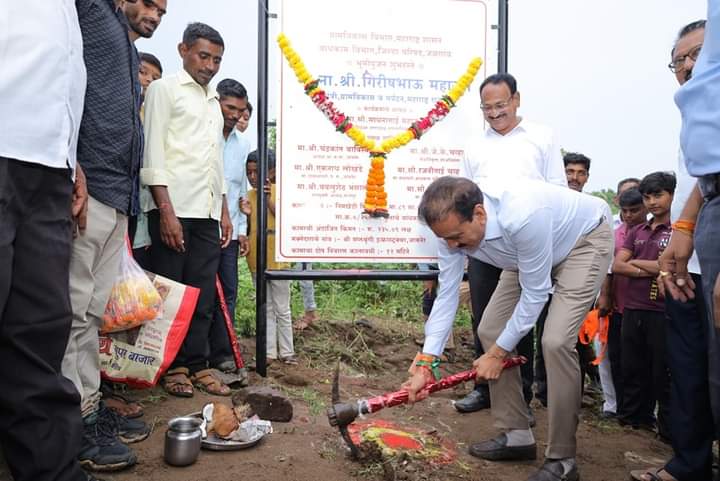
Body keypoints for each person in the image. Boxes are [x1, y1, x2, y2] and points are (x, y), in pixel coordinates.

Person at [405, 176, 612, 481]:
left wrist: (499, 353)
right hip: (527, 255)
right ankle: (517, 435)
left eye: (457, 237)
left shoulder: (522, 214)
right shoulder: (448, 229)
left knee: (555, 341)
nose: (451, 246)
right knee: (490, 329)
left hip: (582, 243)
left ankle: (563, 459)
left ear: (479, 214)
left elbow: (536, 293)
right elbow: (447, 292)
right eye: (445, 239)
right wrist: (427, 359)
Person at [0, 2, 99, 480]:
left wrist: (70, 153)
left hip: (48, 164)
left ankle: (51, 472)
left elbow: (56, 73)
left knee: (41, 328)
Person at [63, 0, 152, 472]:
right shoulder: (84, 9)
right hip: (88, 187)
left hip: (116, 194)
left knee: (91, 315)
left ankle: (90, 413)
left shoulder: (115, 25)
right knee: (74, 314)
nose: (155, 11)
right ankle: (72, 427)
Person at [633, 19, 716, 481]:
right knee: (686, 370)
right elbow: (697, 188)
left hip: (714, 263)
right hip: (688, 266)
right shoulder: (691, 117)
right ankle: (688, 464)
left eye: (697, 54)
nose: (686, 66)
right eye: (678, 60)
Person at [456, 73, 567, 414]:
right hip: (485, 244)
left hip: (527, 242)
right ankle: (485, 390)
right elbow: (463, 197)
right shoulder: (474, 145)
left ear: (516, 100)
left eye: (500, 105)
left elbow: (557, 189)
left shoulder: (541, 137)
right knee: (484, 317)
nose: (494, 113)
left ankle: (521, 396)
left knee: (524, 317)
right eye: (486, 108)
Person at [142, 22, 233, 397]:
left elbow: (215, 162)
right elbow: (154, 152)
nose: (210, 65)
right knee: (171, 295)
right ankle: (173, 366)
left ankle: (198, 364)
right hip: (172, 210)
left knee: (202, 296)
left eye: (217, 59)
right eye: (204, 56)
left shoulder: (213, 100)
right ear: (183, 50)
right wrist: (166, 212)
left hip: (207, 211)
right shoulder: (165, 90)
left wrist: (224, 211)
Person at [612, 172, 675, 441]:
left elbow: (670, 265)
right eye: (647, 196)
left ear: (673, 195)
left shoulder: (677, 231)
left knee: (662, 371)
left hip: (663, 310)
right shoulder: (638, 231)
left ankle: (664, 429)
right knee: (631, 366)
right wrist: (651, 269)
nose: (652, 202)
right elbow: (617, 265)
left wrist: (637, 264)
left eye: (658, 195)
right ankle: (631, 420)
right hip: (633, 306)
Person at [209, 78, 251, 378]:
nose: (235, 115)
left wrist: (243, 229)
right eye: (230, 108)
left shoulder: (243, 144)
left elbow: (240, 192)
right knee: (199, 292)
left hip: (231, 231)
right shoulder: (203, 133)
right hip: (200, 224)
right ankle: (195, 354)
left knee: (230, 291)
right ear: (217, 103)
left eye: (240, 110)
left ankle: (224, 353)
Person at [242, 150, 297, 365]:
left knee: (282, 307)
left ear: (271, 171)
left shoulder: (280, 192)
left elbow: (286, 220)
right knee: (266, 308)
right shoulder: (248, 196)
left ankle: (287, 351)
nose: (253, 177)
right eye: (249, 172)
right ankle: (269, 352)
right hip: (257, 259)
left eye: (257, 172)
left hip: (279, 261)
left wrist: (268, 200)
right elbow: (248, 229)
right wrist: (246, 215)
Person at [604, 185, 647, 420]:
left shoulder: (652, 231)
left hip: (646, 304)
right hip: (618, 303)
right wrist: (605, 296)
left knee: (643, 361)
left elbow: (661, 264)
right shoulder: (615, 231)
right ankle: (620, 408)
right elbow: (612, 267)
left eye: (634, 210)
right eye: (625, 211)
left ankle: (642, 413)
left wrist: (630, 268)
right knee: (619, 358)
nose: (629, 215)